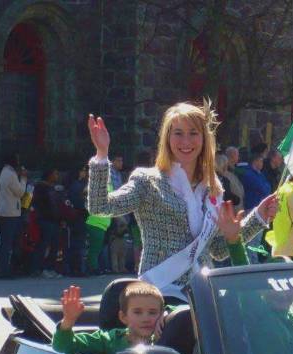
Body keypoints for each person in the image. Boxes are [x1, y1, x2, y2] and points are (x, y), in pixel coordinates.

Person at [86, 101, 277, 298]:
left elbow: (217, 250)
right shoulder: (147, 181)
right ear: (167, 138)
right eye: (178, 133)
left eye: (193, 133)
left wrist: (258, 217)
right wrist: (101, 155)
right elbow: (100, 206)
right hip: (159, 295)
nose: (186, 141)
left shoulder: (213, 189)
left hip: (203, 295)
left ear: (204, 139)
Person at [52, 283, 164, 354]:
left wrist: (167, 314)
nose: (146, 318)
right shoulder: (109, 340)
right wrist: (69, 320)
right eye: (138, 312)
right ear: (123, 317)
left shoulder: (165, 337)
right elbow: (63, 347)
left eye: (153, 312)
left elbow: (179, 315)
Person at [0, 153, 27, 279]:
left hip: (2, 210)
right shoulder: (11, 174)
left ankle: (4, 269)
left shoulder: (0, 173)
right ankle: (7, 270)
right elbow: (20, 192)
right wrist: (23, 179)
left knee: (5, 242)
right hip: (11, 212)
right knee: (11, 243)